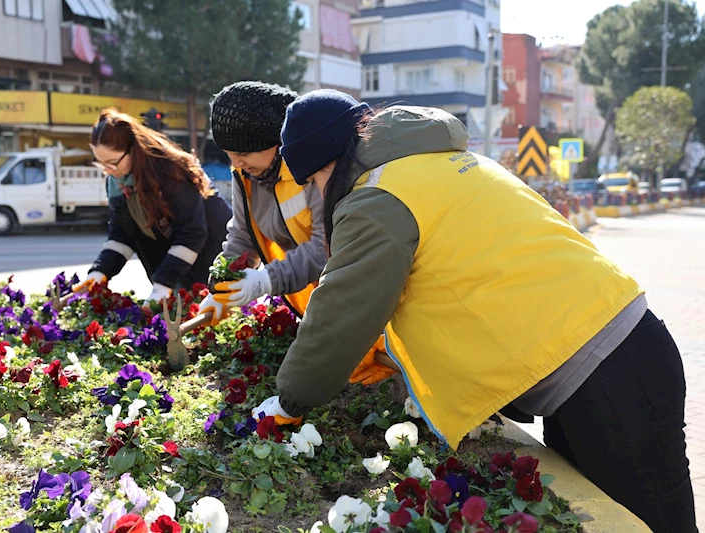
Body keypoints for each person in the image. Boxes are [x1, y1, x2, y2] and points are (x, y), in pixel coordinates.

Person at [252, 89, 695, 533]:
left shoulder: (376, 197)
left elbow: (341, 310)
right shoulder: (438, 161)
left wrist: (290, 401)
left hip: (603, 372)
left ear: (326, 163)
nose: (314, 192)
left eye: (311, 181)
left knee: (657, 523)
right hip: (615, 353)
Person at [75, 108, 232, 306]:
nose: (107, 171)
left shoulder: (169, 171)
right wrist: (99, 272)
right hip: (180, 260)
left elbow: (192, 233)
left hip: (216, 252)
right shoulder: (117, 180)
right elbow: (121, 234)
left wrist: (163, 284)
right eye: (101, 164)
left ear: (133, 150)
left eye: (112, 163)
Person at [196, 81, 326, 320]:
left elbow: (328, 246)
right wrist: (223, 285)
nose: (236, 163)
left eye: (243, 154)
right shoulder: (246, 174)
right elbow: (244, 236)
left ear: (275, 141)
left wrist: (266, 280)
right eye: (229, 154)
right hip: (313, 300)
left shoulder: (314, 170)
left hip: (350, 291)